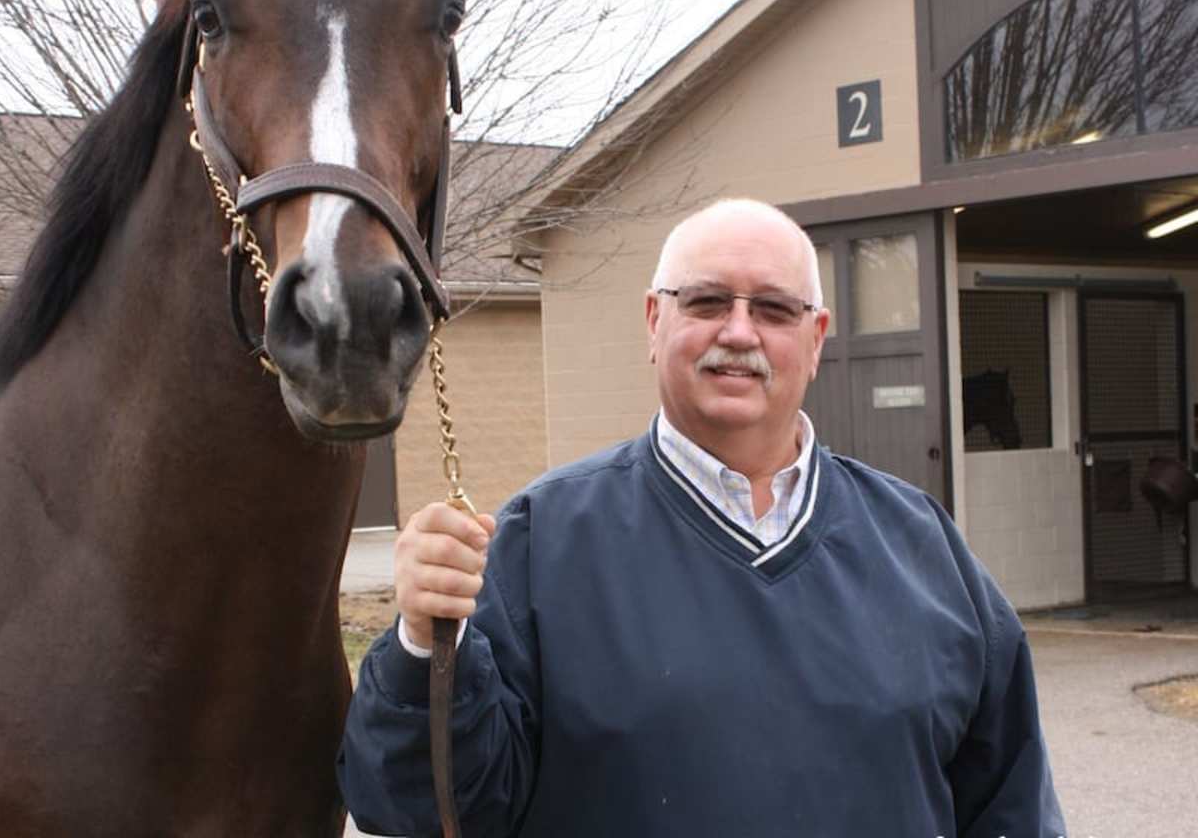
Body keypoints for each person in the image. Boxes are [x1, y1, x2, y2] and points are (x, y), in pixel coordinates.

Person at [338, 198, 1066, 837]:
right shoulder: (541, 544)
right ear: (655, 321)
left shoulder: (921, 547)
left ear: (816, 340)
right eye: (708, 302)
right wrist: (424, 638)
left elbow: (1012, 806)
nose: (740, 332)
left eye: (774, 309)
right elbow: (422, 808)